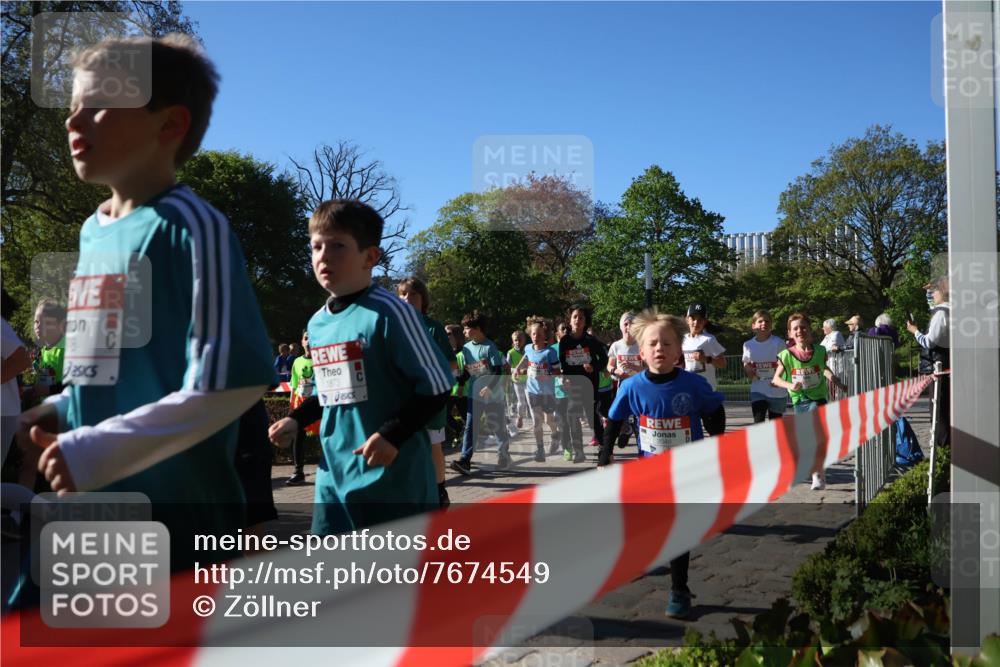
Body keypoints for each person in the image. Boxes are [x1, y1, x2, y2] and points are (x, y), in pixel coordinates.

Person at [14, 35, 276, 579]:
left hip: (177, 525)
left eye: (99, 104)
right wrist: (63, 409)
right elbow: (116, 370)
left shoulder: (193, 226)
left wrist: (96, 451)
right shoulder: (91, 231)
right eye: (72, 107)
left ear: (170, 124)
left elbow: (233, 383)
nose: (73, 120)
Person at [268, 200, 452, 535]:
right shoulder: (318, 323)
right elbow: (331, 393)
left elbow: (438, 385)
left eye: (337, 246)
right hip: (334, 479)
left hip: (393, 482)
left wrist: (392, 434)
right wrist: (296, 419)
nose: (324, 256)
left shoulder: (392, 313)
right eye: (316, 247)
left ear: (370, 257)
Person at [598, 309, 724, 619]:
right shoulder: (631, 387)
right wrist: (604, 458)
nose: (660, 349)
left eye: (667, 344)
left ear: (679, 351)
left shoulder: (693, 384)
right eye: (653, 343)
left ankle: (679, 590)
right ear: (641, 352)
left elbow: (714, 410)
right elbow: (613, 421)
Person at [397, 277, 456, 508]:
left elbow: (451, 364)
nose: (407, 299)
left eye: (413, 294)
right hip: (402, 398)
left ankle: (440, 490)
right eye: (403, 294)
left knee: (433, 445)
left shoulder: (433, 327)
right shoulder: (393, 327)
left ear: (423, 300)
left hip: (430, 396)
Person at [772, 313, 847, 490]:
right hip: (799, 400)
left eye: (803, 327)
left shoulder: (820, 351)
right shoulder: (786, 355)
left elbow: (824, 368)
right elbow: (776, 379)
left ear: (810, 329)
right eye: (795, 328)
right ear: (790, 333)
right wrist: (790, 385)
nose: (800, 331)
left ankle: (817, 475)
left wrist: (835, 380)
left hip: (818, 398)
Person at [449, 310, 510, 475]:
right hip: (474, 395)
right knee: (470, 426)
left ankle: (504, 455)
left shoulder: (490, 347)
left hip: (493, 396)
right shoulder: (467, 348)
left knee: (497, 427)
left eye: (466, 328)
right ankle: (465, 460)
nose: (464, 331)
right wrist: (461, 384)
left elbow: (497, 371)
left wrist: (489, 387)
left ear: (477, 329)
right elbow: (468, 371)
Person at [557, 304, 608, 463]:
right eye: (575, 317)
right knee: (573, 415)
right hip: (573, 384)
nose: (578, 320)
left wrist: (594, 367)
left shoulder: (591, 340)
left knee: (592, 417)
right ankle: (578, 450)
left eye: (581, 317)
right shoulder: (565, 341)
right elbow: (563, 363)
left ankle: (603, 448)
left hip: (589, 383)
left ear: (586, 321)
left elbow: (604, 359)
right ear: (570, 320)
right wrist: (565, 378)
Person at [906, 277, 950, 448]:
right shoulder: (950, 309)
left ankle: (942, 449)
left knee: (939, 410)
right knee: (944, 408)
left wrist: (915, 331)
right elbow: (932, 303)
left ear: (942, 292)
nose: (931, 295)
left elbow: (929, 342)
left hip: (939, 365)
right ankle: (946, 447)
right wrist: (929, 292)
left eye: (933, 291)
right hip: (946, 364)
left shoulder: (941, 313)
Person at [512, 318, 561, 462]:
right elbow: (526, 359)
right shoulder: (528, 348)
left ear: (545, 335)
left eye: (539, 334)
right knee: (536, 422)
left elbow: (558, 372)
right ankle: (540, 450)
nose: (536, 337)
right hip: (532, 391)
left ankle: (555, 434)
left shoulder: (550, 352)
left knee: (548, 420)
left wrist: (547, 375)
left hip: (548, 392)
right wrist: (518, 369)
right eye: (533, 334)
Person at [682, 303, 727, 435]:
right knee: (690, 436)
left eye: (700, 319)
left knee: (716, 434)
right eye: (693, 318)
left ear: (705, 321)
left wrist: (707, 359)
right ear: (687, 319)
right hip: (689, 394)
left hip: (707, 393)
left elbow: (723, 363)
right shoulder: (682, 340)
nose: (696, 322)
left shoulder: (709, 339)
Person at [741, 310, 788, 423]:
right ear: (753, 326)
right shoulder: (748, 345)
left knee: (776, 423)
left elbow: (785, 364)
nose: (764, 324)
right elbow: (746, 362)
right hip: (758, 389)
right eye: (760, 321)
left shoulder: (778, 343)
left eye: (767, 321)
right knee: (758, 420)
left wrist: (778, 378)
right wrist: (748, 370)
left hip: (777, 390)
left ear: (771, 325)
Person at [607, 311, 643, 453]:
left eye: (632, 324)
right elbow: (609, 365)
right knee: (621, 415)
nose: (628, 327)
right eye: (626, 324)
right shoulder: (616, 346)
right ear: (621, 327)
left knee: (639, 419)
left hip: (639, 387)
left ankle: (641, 449)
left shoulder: (641, 345)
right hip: (623, 386)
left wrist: (635, 367)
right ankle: (626, 430)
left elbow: (648, 368)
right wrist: (615, 371)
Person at [286, 329, 317, 486]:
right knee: (298, 438)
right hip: (301, 403)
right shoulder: (297, 362)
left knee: (327, 437)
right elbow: (294, 385)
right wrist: (291, 406)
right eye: (306, 338)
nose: (309, 341)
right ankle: (298, 472)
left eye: (312, 337)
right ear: (302, 342)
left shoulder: (323, 359)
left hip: (319, 404)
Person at [29, 299, 66, 404]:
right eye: (36, 322)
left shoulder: (68, 349)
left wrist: (49, 390)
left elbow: (77, 385)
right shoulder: (43, 350)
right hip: (48, 408)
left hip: (66, 409)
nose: (38, 326)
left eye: (46, 322)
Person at [445, 324, 467, 449]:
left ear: (457, 336)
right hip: (450, 391)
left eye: (449, 334)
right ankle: (459, 429)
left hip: (463, 391)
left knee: (467, 419)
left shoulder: (465, 352)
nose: (446, 336)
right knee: (444, 416)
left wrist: (461, 385)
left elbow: (468, 371)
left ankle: (466, 446)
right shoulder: (447, 353)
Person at [552, 321, 570, 457]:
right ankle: (567, 447)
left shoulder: (575, 347)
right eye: (563, 329)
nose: (566, 331)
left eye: (568, 329)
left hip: (574, 388)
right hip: (558, 390)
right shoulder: (552, 350)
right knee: (563, 421)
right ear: (557, 334)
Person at [507, 330, 529, 430]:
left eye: (520, 340)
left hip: (529, 380)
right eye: (515, 340)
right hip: (517, 381)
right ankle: (520, 418)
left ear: (524, 340)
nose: (518, 342)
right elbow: (507, 368)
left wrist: (527, 370)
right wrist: (516, 370)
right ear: (513, 341)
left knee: (530, 401)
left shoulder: (529, 350)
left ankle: (535, 422)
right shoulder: (510, 353)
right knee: (521, 402)